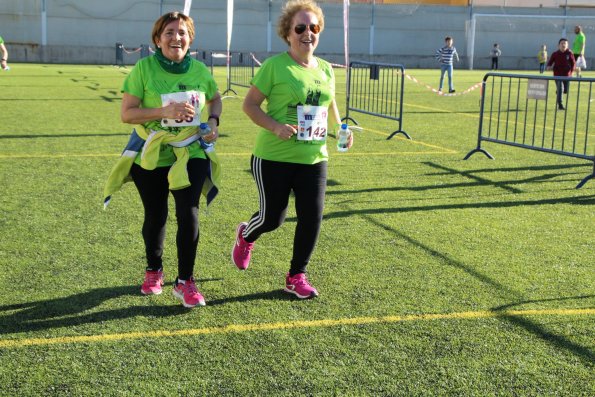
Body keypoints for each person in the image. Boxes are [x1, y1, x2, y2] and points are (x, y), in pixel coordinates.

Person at [231, 0, 350, 299]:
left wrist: (342, 129)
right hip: (274, 156)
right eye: (300, 28)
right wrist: (274, 127)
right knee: (273, 218)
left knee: (312, 216)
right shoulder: (274, 66)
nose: (307, 33)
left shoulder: (325, 68)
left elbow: (329, 102)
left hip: (314, 157)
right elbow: (250, 105)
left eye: (314, 27)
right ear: (288, 33)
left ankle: (296, 275)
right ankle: (246, 235)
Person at [103, 12, 222, 308]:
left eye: (182, 32)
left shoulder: (200, 70)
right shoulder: (143, 69)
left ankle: (185, 282)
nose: (176, 38)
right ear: (157, 39)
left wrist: (214, 121)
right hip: (152, 150)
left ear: (190, 39)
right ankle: (154, 269)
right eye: (169, 32)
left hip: (190, 151)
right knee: (156, 215)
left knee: (189, 212)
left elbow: (215, 97)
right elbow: (127, 114)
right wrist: (162, 113)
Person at [547, 38, 575, 111]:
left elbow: (573, 64)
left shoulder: (569, 53)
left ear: (567, 45)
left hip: (567, 76)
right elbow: (550, 63)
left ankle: (559, 91)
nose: (563, 45)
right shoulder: (555, 54)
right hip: (557, 75)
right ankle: (560, 105)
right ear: (558, 45)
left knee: (565, 90)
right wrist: (549, 66)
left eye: (565, 43)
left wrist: (571, 73)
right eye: (562, 43)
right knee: (561, 88)